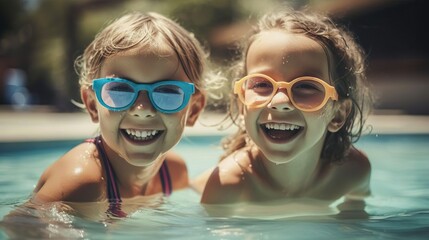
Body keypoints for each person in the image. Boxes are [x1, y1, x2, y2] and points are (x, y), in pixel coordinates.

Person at [194, 7, 373, 218]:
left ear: (338, 114)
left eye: (306, 87)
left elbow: (356, 216)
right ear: (242, 104)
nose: (280, 102)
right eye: (261, 84)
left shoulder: (353, 171)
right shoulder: (228, 184)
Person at [31, 11, 206, 218]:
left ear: (193, 110)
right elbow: (23, 227)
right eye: (120, 90)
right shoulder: (82, 181)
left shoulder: (174, 173)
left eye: (167, 91)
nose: (143, 110)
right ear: (93, 104)